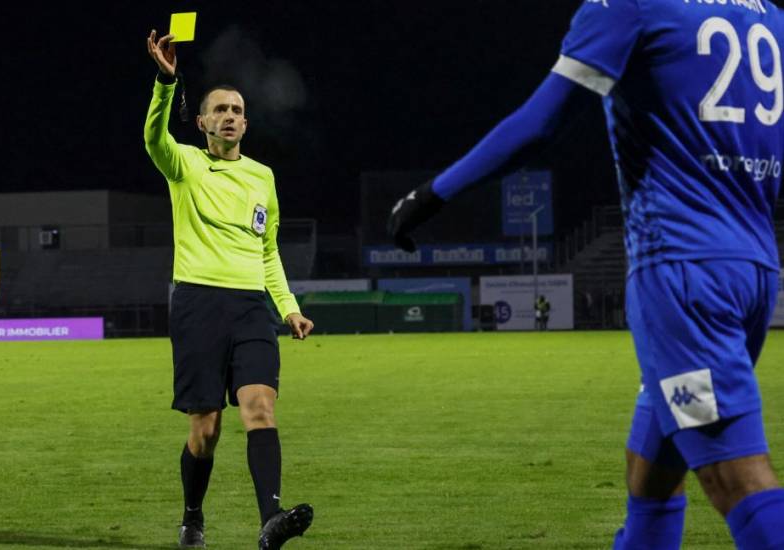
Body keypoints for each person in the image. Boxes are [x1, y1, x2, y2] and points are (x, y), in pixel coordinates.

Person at [388, 1, 784, 548]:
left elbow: (540, 122)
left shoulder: (630, 4)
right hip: (754, 270)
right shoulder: (767, 16)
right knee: (651, 472)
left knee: (735, 479)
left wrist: (432, 194)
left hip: (684, 277)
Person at [145, 30, 315, 549]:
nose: (230, 116)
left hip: (250, 308)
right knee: (207, 430)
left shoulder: (263, 177)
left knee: (261, 406)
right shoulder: (186, 166)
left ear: (245, 120)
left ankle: (271, 520)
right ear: (202, 123)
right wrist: (165, 82)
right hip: (197, 303)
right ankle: (193, 515)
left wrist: (288, 308)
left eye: (237, 109)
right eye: (219, 109)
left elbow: (268, 251)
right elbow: (154, 138)